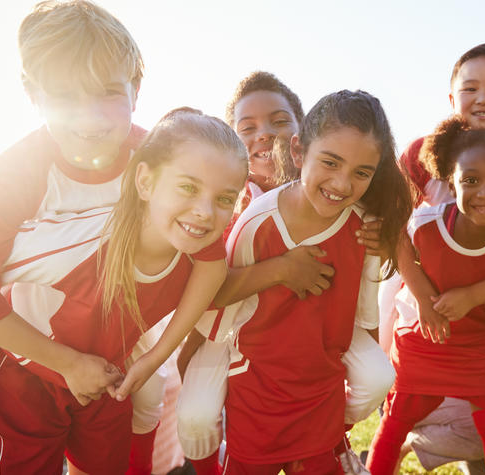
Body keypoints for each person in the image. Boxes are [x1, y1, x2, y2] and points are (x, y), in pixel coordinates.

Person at [0, 3, 230, 473]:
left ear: (136, 90)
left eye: (107, 92)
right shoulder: (15, 175)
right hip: (25, 368)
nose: (89, 116)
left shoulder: (159, 158)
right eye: (64, 95)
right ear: (33, 94)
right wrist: (66, 363)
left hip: (110, 370)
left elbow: (211, 260)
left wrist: (154, 356)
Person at [177, 75, 396, 475]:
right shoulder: (235, 204)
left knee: (379, 377)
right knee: (195, 414)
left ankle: (332, 439)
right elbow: (213, 296)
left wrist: (385, 239)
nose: (265, 136)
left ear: (297, 133)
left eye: (278, 121)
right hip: (235, 327)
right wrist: (281, 269)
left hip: (320, 331)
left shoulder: (355, 213)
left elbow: (364, 309)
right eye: (248, 128)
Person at [379, 42, 485, 472]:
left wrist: (476, 294)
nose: (484, 98)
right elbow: (393, 226)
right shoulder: (422, 152)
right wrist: (420, 293)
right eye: (470, 88)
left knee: (479, 393)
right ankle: (395, 445)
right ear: (452, 99)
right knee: (404, 389)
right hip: (418, 292)